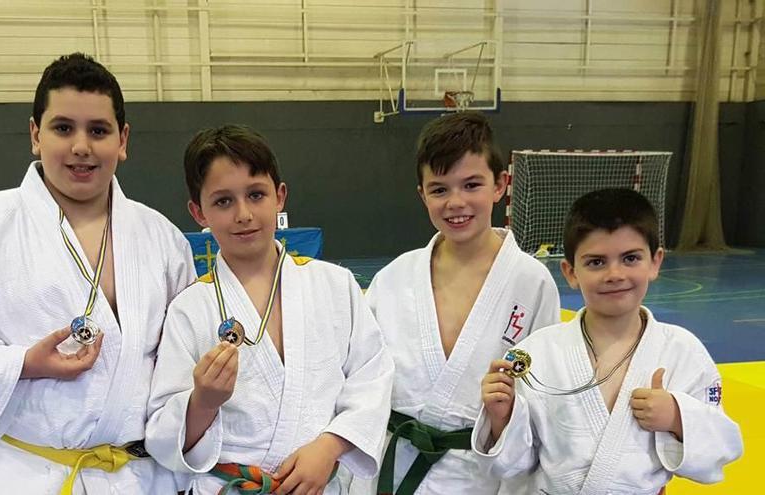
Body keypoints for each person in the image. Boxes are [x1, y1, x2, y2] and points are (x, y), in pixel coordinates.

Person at [0, 53, 196, 494]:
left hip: (138, 477)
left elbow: (184, 360)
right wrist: (19, 365)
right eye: (63, 127)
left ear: (123, 140)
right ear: (36, 134)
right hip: (24, 474)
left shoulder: (164, 240)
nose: (81, 147)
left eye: (98, 130)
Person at [145, 124, 394, 494]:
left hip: (321, 484)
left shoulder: (334, 286)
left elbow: (371, 378)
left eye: (256, 195)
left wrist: (330, 446)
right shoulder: (189, 309)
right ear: (199, 213)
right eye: (223, 201)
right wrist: (202, 402)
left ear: (279, 196)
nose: (243, 214)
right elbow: (164, 434)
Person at [474, 188, 743, 493]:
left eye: (630, 258)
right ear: (570, 272)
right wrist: (501, 418)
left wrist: (677, 417)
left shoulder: (682, 350)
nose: (615, 274)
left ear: (655, 262)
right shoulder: (535, 353)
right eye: (596, 262)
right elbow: (512, 466)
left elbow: (721, 449)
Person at [353, 111, 560, 495]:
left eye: (471, 184)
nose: (456, 202)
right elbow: (362, 380)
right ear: (422, 195)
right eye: (440, 189)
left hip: (480, 476)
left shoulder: (532, 283)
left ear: (500, 185)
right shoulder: (394, 279)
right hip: (392, 471)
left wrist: (503, 418)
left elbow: (543, 401)